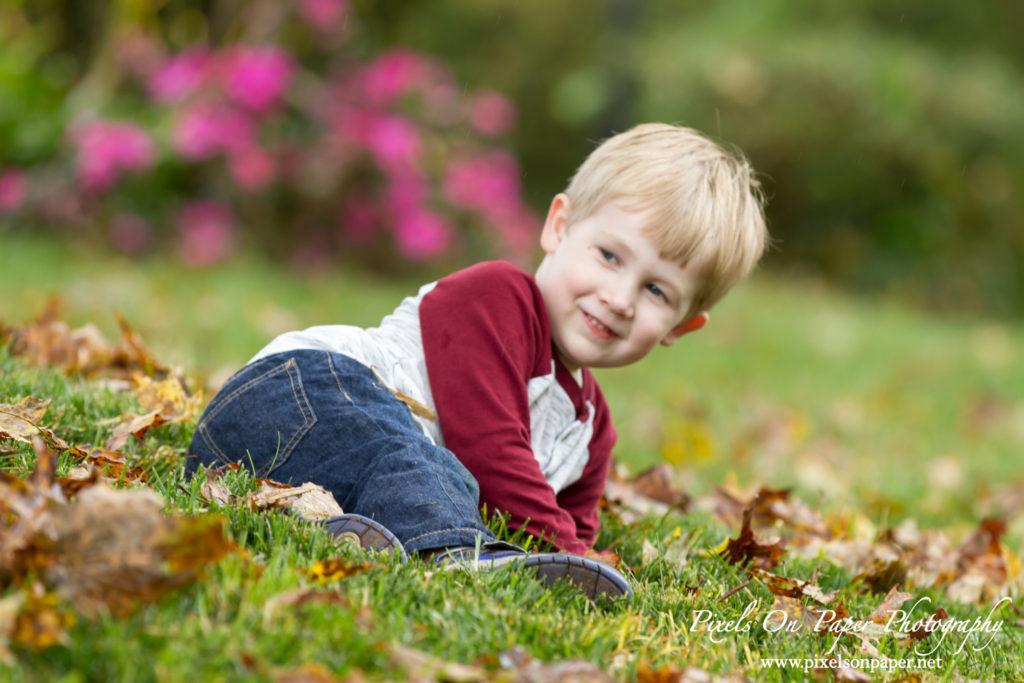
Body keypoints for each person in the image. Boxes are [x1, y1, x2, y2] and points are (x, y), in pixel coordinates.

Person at [186, 123, 768, 602]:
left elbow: (569, 528)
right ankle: (457, 552)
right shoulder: (497, 299)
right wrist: (566, 552)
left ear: (682, 327)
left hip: (304, 477)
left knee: (423, 475)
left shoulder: (590, 431)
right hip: (296, 398)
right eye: (610, 256)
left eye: (656, 292)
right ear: (559, 226)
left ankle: (345, 532)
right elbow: (490, 451)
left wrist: (580, 566)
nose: (619, 297)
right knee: (430, 463)